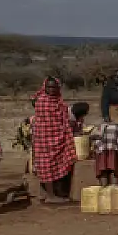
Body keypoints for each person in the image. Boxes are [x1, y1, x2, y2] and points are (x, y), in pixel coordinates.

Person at [29, 76, 79, 204]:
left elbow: (63, 120)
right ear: (44, 88)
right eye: (49, 87)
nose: (51, 89)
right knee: (46, 166)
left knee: (58, 164)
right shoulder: (41, 102)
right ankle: (50, 196)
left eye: (54, 87)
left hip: (58, 138)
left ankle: (50, 193)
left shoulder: (59, 102)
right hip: (43, 139)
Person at [92, 117, 118, 188]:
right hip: (113, 151)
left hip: (101, 152)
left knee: (103, 172)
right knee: (115, 171)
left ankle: (104, 191)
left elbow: (93, 139)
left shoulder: (99, 126)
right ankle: (114, 191)